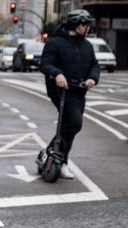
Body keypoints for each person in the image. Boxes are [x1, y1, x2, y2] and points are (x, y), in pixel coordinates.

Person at [38, 10, 100, 180]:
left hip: (79, 91)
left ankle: (53, 157)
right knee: (74, 122)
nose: (87, 28)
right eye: (84, 25)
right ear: (75, 25)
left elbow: (95, 65)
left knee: (70, 127)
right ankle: (58, 158)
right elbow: (45, 64)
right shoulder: (56, 43)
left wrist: (92, 78)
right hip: (61, 91)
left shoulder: (87, 46)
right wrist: (57, 74)